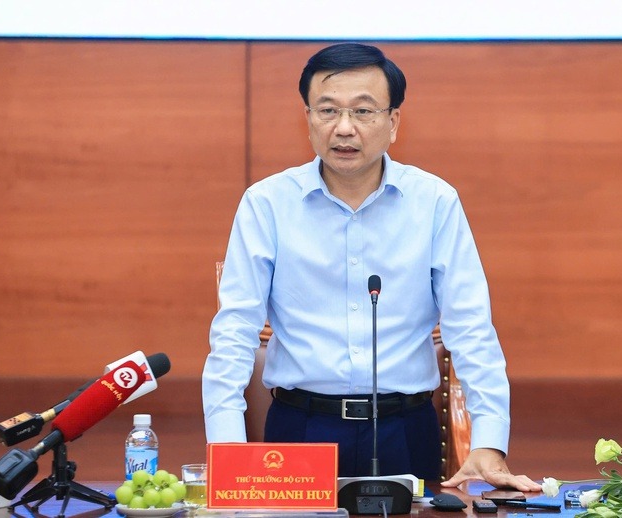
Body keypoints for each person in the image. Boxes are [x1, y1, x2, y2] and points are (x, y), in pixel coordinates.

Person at [203, 42, 540, 492]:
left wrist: (489, 441)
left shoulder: (434, 202)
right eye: (327, 111)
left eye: (363, 112)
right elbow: (235, 331)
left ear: (393, 122)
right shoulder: (266, 205)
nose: (344, 128)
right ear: (307, 119)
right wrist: (226, 447)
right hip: (301, 429)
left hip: (405, 429)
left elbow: (471, 327)